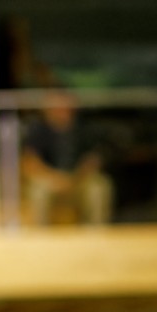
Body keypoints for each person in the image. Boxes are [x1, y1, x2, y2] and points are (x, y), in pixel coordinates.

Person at [19, 92, 111, 226]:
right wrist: (54, 178)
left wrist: (76, 177)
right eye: (57, 107)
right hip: (49, 179)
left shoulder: (83, 128)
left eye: (65, 107)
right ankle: (40, 233)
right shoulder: (38, 130)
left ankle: (95, 232)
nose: (61, 111)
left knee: (98, 187)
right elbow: (30, 161)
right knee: (38, 192)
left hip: (78, 179)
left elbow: (93, 159)